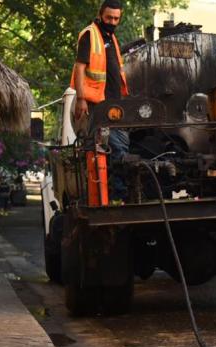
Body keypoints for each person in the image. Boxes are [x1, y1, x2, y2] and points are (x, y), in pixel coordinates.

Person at [71, 0, 129, 201]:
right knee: (114, 148)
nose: (112, 22)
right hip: (97, 104)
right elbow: (79, 68)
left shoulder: (111, 37)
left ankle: (119, 192)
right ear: (100, 15)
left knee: (123, 145)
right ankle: (117, 195)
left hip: (114, 104)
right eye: (109, 18)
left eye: (116, 19)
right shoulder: (90, 34)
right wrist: (81, 99)